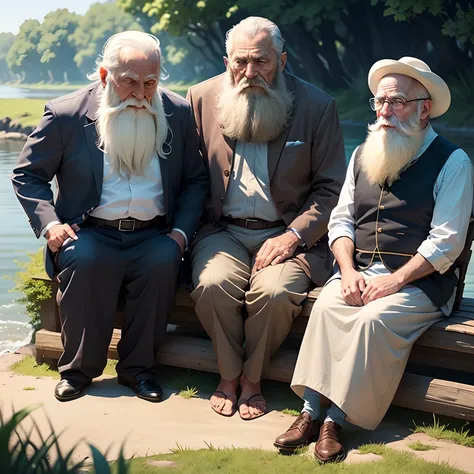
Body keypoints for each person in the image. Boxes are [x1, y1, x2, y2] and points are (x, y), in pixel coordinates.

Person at [274, 57, 474, 462]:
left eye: (396, 102)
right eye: (379, 102)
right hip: (359, 270)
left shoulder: (454, 162)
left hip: (422, 282)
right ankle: (310, 412)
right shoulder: (363, 153)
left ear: (424, 108)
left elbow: (447, 242)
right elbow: (342, 220)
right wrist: (346, 271)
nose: (384, 111)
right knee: (328, 307)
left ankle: (337, 421)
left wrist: (393, 282)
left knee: (370, 319)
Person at [12, 31, 208, 402]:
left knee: (164, 261)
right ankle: (78, 371)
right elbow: (27, 174)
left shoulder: (178, 113)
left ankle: (139, 372)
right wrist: (51, 224)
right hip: (88, 231)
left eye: (150, 82)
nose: (140, 93)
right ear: (105, 76)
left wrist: (181, 233)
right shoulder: (66, 114)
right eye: (129, 82)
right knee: (85, 260)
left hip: (155, 234)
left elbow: (195, 182)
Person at [187, 16, 345, 420]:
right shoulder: (200, 98)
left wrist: (293, 236)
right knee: (211, 284)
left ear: (283, 59)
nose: (250, 72)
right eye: (241, 62)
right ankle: (227, 375)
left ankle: (251, 381)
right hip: (222, 230)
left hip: (288, 234)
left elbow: (331, 190)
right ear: (227, 62)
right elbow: (186, 178)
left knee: (274, 295)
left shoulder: (317, 106)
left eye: (261, 61)